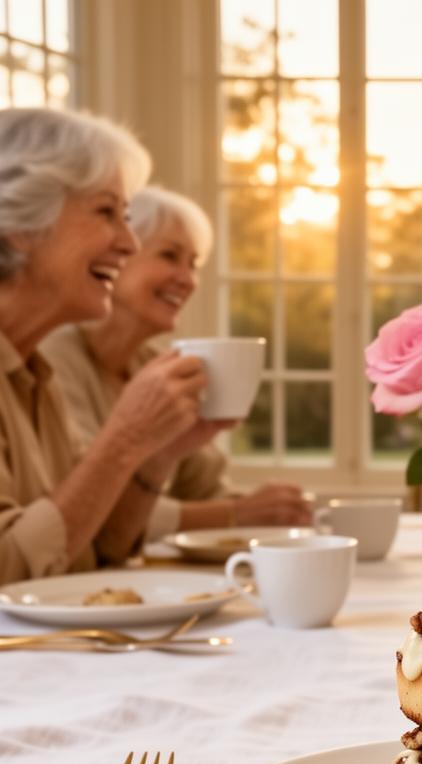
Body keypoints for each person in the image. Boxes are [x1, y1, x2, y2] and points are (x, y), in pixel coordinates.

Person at [0, 108, 228, 584]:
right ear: (19, 224)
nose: (129, 243)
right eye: (106, 212)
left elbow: (101, 544)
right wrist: (124, 439)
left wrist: (157, 452)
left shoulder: (35, 375)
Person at [41, 186, 310, 539]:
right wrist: (236, 514)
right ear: (118, 256)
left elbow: (205, 490)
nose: (188, 281)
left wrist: (271, 509)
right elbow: (88, 510)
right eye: (169, 256)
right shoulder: (53, 359)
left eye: (193, 265)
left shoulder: (155, 365)